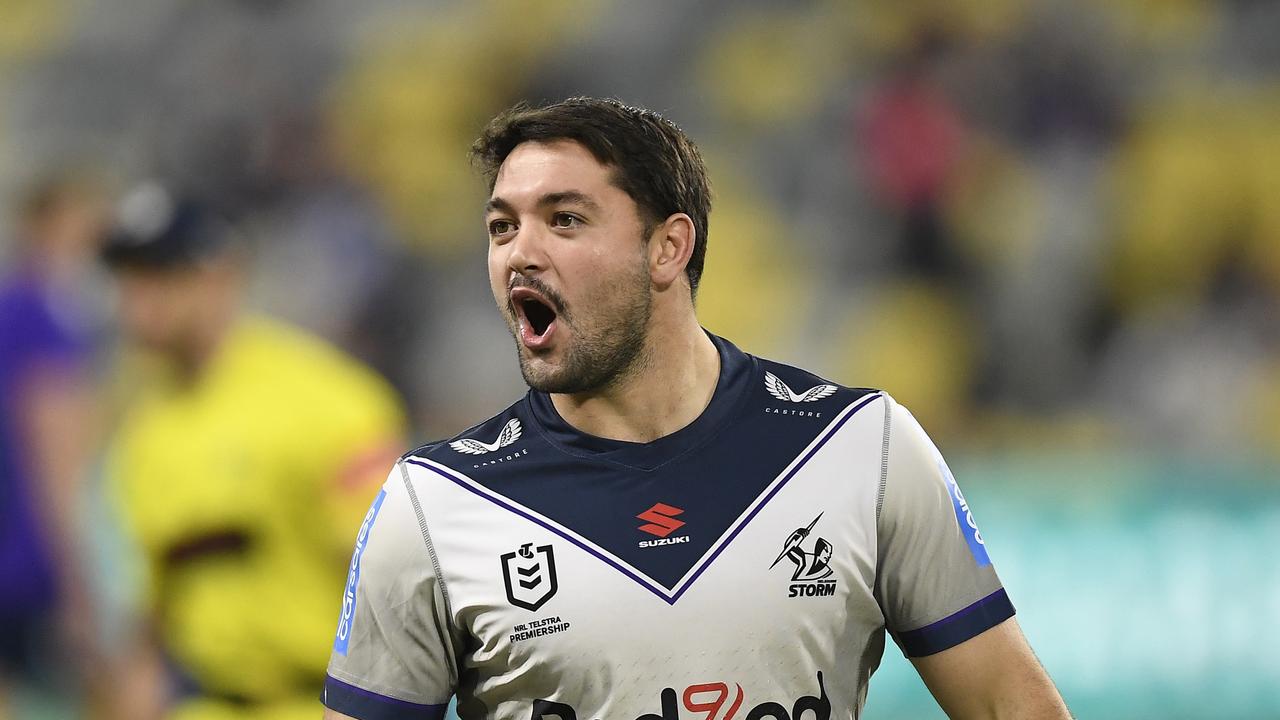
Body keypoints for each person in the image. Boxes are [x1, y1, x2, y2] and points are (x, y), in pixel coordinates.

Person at [321, 98, 1071, 720]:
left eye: (565, 219)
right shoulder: (435, 504)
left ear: (667, 249)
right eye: (501, 226)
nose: (520, 251)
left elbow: (1011, 706)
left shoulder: (859, 448)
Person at [100, 182, 407, 720]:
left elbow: (396, 586)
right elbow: (156, 602)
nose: (137, 301)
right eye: (128, 279)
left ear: (221, 274)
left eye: (161, 276)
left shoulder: (325, 400)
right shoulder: (144, 430)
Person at [0, 172, 107, 717]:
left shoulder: (14, 305)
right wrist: (78, 579)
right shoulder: (46, 315)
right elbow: (56, 451)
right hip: (36, 558)